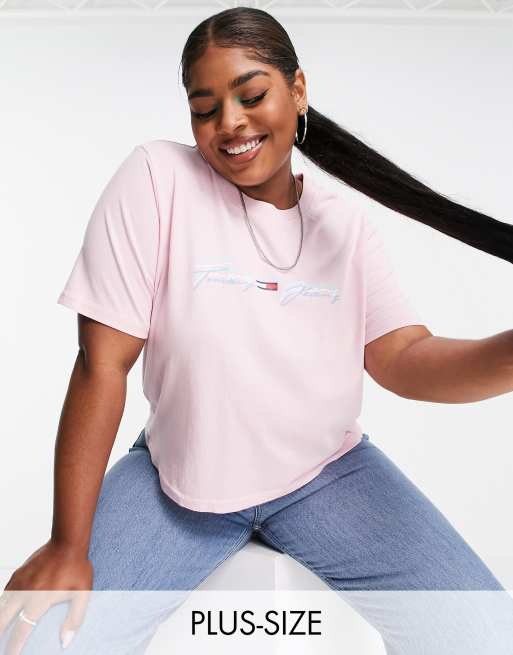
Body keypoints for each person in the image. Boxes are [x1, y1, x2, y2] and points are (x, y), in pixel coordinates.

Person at [1, 6, 513, 655]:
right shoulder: (157, 179)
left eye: (251, 96)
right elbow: (101, 364)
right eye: (205, 107)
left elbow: (405, 358)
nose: (230, 123)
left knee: (485, 637)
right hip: (174, 483)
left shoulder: (344, 226)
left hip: (327, 474)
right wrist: (67, 545)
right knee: (46, 644)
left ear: (296, 90)